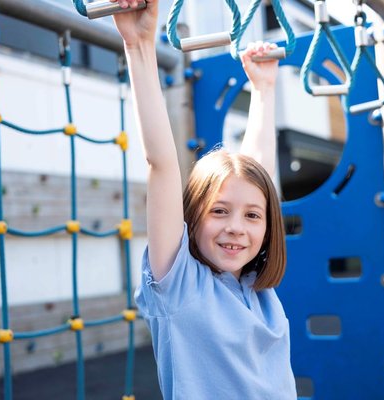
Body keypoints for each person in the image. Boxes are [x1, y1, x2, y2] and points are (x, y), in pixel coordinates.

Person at [110, 1, 296, 398]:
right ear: (191, 218)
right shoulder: (180, 286)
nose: (236, 227)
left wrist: (263, 89)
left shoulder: (254, 288)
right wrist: (139, 45)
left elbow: (255, 178)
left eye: (252, 217)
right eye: (219, 211)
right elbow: (160, 164)